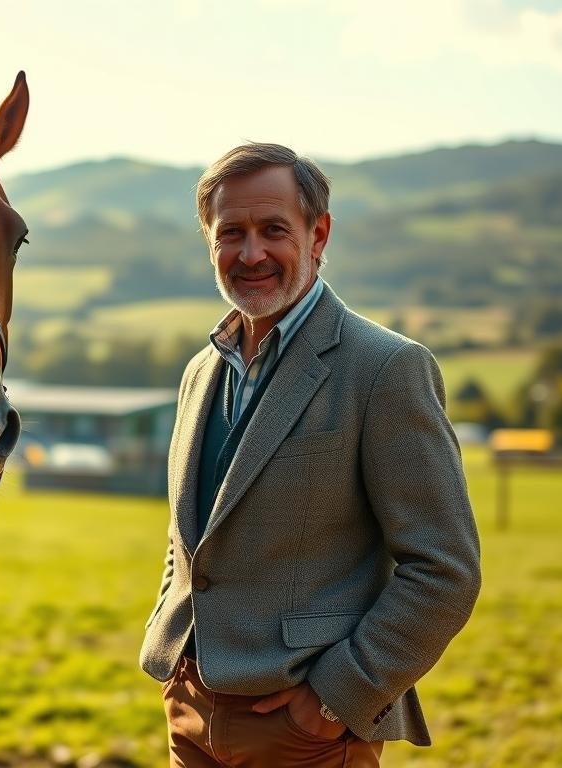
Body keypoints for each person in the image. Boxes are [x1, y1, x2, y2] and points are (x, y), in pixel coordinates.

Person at [139, 143, 481, 767]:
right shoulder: (200, 371)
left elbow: (445, 569)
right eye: (230, 233)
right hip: (190, 714)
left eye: (274, 230)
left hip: (306, 730)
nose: (251, 254)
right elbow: (190, 536)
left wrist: (334, 700)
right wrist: (176, 647)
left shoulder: (385, 369)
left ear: (317, 234)